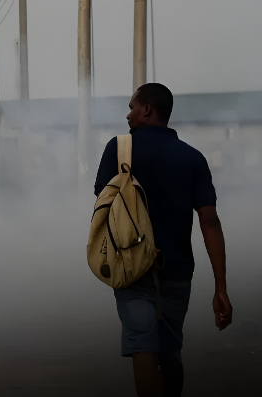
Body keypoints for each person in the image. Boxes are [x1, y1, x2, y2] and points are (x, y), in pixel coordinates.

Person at [94, 83, 233, 397]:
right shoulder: (192, 158)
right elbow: (209, 223)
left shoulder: (118, 149)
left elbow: (102, 207)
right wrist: (220, 287)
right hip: (177, 267)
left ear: (147, 110)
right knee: (169, 352)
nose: (127, 114)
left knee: (143, 345)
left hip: (130, 266)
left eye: (131, 107)